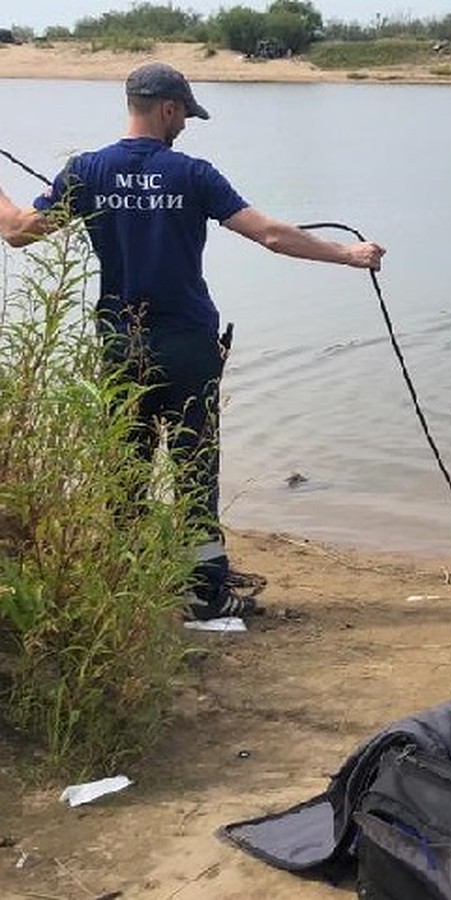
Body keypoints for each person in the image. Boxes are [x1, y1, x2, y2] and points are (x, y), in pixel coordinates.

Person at [0, 62, 385, 621]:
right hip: (186, 345)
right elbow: (272, 235)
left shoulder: (86, 171)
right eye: (185, 116)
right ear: (168, 109)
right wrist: (349, 255)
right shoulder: (193, 174)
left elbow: (16, 232)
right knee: (193, 465)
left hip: (118, 345)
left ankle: (126, 592)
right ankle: (206, 595)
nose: (185, 126)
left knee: (125, 468)